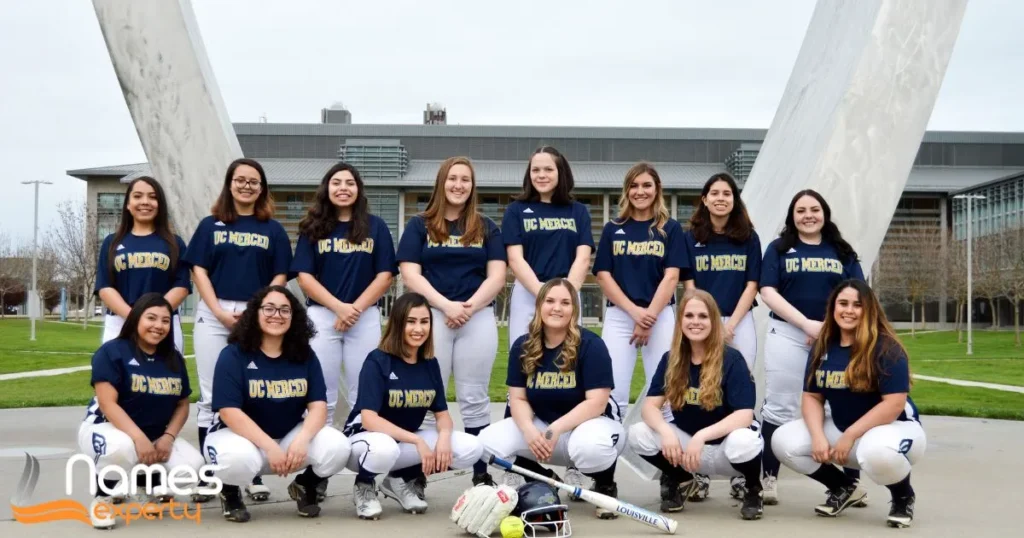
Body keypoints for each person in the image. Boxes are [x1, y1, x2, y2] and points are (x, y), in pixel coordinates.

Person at [772, 280, 924, 528]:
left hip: (895, 431)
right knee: (783, 440)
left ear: (869, 310)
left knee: (877, 453)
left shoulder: (885, 346)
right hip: (845, 431)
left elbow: (894, 404)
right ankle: (844, 488)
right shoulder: (823, 346)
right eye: (843, 303)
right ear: (833, 307)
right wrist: (818, 435)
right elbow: (812, 396)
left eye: (857, 305)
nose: (849, 310)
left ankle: (903, 496)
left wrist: (851, 434)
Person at [183, 158, 293, 502]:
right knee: (212, 396)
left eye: (254, 181)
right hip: (214, 314)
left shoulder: (272, 229)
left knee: (254, 394)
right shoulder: (210, 225)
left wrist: (256, 311)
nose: (247, 186)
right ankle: (210, 473)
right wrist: (217, 309)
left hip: (257, 315)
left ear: (262, 188)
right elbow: (198, 270)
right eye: (240, 180)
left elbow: (280, 277)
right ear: (230, 184)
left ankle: (253, 474)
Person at [397, 156, 506, 487]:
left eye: (466, 180)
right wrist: (446, 305)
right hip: (431, 318)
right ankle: (418, 471)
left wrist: (468, 307)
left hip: (477, 317)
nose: (459, 185)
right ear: (441, 182)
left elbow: (498, 275)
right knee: (428, 395)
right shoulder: (420, 225)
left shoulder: (486, 226)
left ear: (473, 186)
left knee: (475, 397)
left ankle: (480, 471)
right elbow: (409, 273)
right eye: (453, 178)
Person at [478, 279, 626, 520]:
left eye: (565, 302)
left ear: (574, 310)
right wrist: (528, 430)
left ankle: (605, 485)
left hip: (591, 427)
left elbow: (597, 403)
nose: (557, 308)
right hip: (547, 429)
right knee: (485, 444)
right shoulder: (523, 345)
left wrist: (555, 429)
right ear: (539, 306)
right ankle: (544, 480)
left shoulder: (591, 344)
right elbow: (517, 398)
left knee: (590, 448)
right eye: (550, 301)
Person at [204, 286, 351, 522]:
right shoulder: (234, 354)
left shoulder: (304, 355)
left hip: (288, 437)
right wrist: (270, 447)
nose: (277, 315)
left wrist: (302, 440)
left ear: (294, 318)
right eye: (269, 308)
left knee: (338, 446)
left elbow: (318, 407)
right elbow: (229, 412)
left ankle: (305, 486)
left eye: (285, 310)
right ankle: (230, 491)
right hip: (239, 438)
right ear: (255, 313)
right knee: (235, 459)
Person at [758, 189, 864, 505]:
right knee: (780, 406)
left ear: (824, 213)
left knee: (837, 406)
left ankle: (850, 482)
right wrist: (806, 324)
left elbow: (858, 293)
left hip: (836, 337)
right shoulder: (779, 249)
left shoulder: (842, 250)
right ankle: (768, 477)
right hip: (789, 332)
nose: (808, 215)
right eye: (801, 210)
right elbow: (767, 291)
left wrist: (828, 329)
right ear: (792, 216)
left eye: (814, 209)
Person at [342, 293, 484, 520]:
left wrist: (445, 436)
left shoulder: (429, 363)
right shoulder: (378, 360)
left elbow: (442, 414)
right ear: (398, 323)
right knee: (385, 448)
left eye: (424, 321)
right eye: (411, 321)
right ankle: (364, 485)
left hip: (402, 441)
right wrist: (418, 440)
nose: (418, 329)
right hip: (364, 442)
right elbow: (369, 419)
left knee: (471, 448)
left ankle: (398, 480)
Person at [627, 289, 765, 520]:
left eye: (703, 316)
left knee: (745, 441)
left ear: (713, 321)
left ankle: (753, 488)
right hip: (687, 448)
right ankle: (682, 479)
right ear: (680, 320)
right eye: (689, 316)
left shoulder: (732, 359)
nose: (695, 322)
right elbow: (649, 407)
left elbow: (744, 416)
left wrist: (701, 437)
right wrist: (666, 433)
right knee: (638, 433)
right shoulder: (671, 359)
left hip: (724, 448)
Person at [78, 293, 204, 529]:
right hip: (105, 428)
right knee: (121, 448)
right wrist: (138, 438)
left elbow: (182, 404)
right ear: (136, 319)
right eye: (151, 318)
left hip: (154, 433)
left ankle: (137, 486)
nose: (158, 326)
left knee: (191, 468)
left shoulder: (173, 358)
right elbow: (108, 404)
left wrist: (168, 437)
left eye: (165, 321)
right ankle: (102, 499)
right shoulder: (112, 351)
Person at [293, 162, 396, 426]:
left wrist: (353, 310)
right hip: (322, 315)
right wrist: (339, 308)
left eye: (350, 183)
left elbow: (385, 275)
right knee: (321, 391)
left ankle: (362, 451)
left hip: (364, 316)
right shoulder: (312, 227)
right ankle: (321, 458)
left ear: (358, 190)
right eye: (336, 182)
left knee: (363, 390)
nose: (343, 188)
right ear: (326, 188)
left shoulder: (376, 226)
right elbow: (304, 277)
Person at [681, 172, 761, 501]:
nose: (720, 198)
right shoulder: (691, 237)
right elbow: (689, 285)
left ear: (734, 199)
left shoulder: (748, 237)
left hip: (737, 320)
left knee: (737, 391)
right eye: (714, 192)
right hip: (701, 319)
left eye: (726, 193)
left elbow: (751, 285)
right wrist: (708, 321)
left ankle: (740, 473)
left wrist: (730, 325)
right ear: (704, 198)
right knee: (698, 387)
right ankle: (697, 471)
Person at [594, 162, 685, 421]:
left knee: (666, 395)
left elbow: (672, 277)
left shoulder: (670, 228)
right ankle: (605, 459)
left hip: (661, 315)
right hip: (621, 316)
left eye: (646, 185)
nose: (640, 191)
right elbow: (603, 275)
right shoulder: (613, 227)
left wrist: (648, 318)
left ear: (657, 189)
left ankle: (668, 459)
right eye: (634, 186)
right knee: (612, 397)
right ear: (626, 191)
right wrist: (636, 313)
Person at [503, 146, 593, 347]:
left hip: (567, 291)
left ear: (561, 172)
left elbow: (583, 258)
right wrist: (543, 294)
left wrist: (564, 294)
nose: (541, 175)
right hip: (528, 292)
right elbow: (515, 259)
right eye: (535, 170)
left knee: (567, 359)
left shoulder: (578, 211)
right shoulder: (515, 210)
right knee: (524, 358)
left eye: (548, 169)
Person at [95, 176, 191, 353]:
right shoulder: (112, 243)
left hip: (163, 324)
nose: (145, 202)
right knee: (116, 378)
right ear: (128, 204)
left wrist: (154, 318)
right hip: (120, 322)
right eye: (138, 196)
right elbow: (105, 287)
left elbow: (182, 287)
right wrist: (135, 317)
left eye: (153, 197)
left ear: (160, 204)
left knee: (165, 379)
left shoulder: (175, 244)